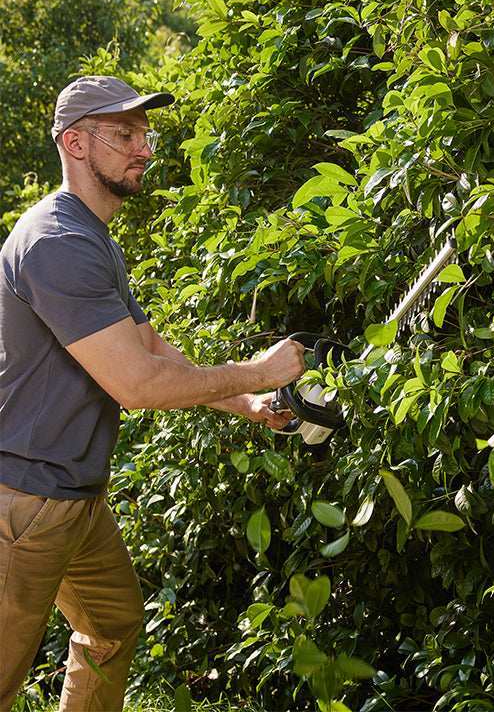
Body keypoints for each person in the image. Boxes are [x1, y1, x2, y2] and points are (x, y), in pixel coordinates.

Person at [0, 76, 305, 712]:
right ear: (75, 144)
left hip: (74, 497)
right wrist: (259, 372)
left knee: (111, 624)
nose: (143, 149)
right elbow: (137, 384)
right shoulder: (56, 242)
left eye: (145, 134)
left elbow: (152, 350)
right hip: (22, 503)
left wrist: (248, 405)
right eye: (124, 135)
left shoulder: (91, 239)